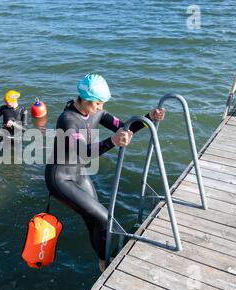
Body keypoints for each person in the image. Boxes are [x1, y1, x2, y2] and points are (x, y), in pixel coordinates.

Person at [44, 74, 165, 272]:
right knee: (104, 218)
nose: (100, 108)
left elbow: (124, 126)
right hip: (59, 179)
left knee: (96, 219)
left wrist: (148, 117)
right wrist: (112, 142)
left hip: (78, 173)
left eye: (102, 104)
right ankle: (104, 263)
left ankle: (102, 258)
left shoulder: (96, 112)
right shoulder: (67, 120)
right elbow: (84, 151)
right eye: (97, 104)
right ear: (84, 99)